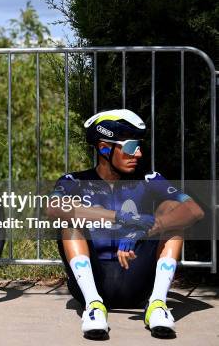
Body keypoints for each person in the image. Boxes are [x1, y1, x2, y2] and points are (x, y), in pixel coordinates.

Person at [46, 109, 204, 339]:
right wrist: (121, 218)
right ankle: (94, 307)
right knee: (70, 219)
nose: (138, 154)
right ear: (103, 148)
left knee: (172, 212)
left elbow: (194, 210)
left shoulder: (149, 178)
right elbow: (52, 207)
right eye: (131, 147)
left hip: (137, 281)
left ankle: (157, 305)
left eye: (139, 146)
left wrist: (149, 226)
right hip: (94, 279)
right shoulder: (74, 181)